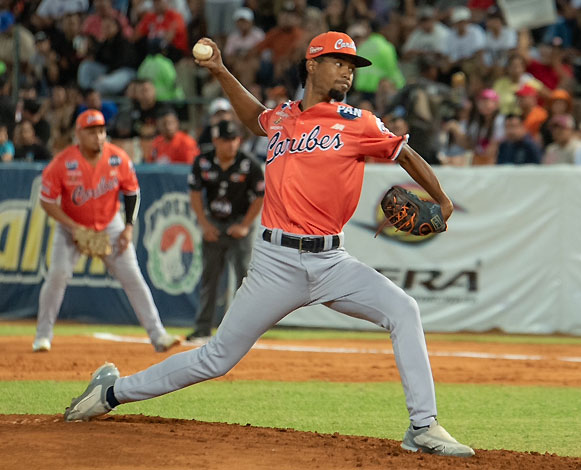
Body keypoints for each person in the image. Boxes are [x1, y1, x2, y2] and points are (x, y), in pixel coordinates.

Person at [63, 32, 475, 459]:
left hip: (332, 262)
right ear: (312, 65)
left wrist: (442, 201)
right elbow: (254, 117)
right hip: (275, 264)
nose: (348, 72)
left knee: (404, 310)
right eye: (338, 62)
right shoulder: (282, 116)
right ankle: (111, 393)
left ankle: (423, 426)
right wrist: (220, 70)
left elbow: (405, 154)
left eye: (352, 66)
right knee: (216, 358)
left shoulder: (359, 122)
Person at [32, 109, 180, 353]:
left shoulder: (118, 158)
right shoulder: (62, 163)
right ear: (78, 134)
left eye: (101, 131)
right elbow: (47, 201)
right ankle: (42, 336)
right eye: (91, 132)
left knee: (133, 277)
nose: (98, 136)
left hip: (111, 225)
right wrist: (74, 227)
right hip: (71, 226)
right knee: (57, 275)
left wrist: (128, 227)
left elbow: (132, 192)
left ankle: (158, 335)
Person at [186, 119, 264, 341]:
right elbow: (195, 194)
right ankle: (203, 328)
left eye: (234, 139)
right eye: (226, 140)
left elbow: (260, 196)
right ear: (216, 141)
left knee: (245, 278)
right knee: (209, 277)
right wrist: (204, 224)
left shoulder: (249, 163)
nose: (231, 144)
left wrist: (245, 225)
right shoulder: (203, 161)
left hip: (239, 222)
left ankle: (246, 330)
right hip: (214, 223)